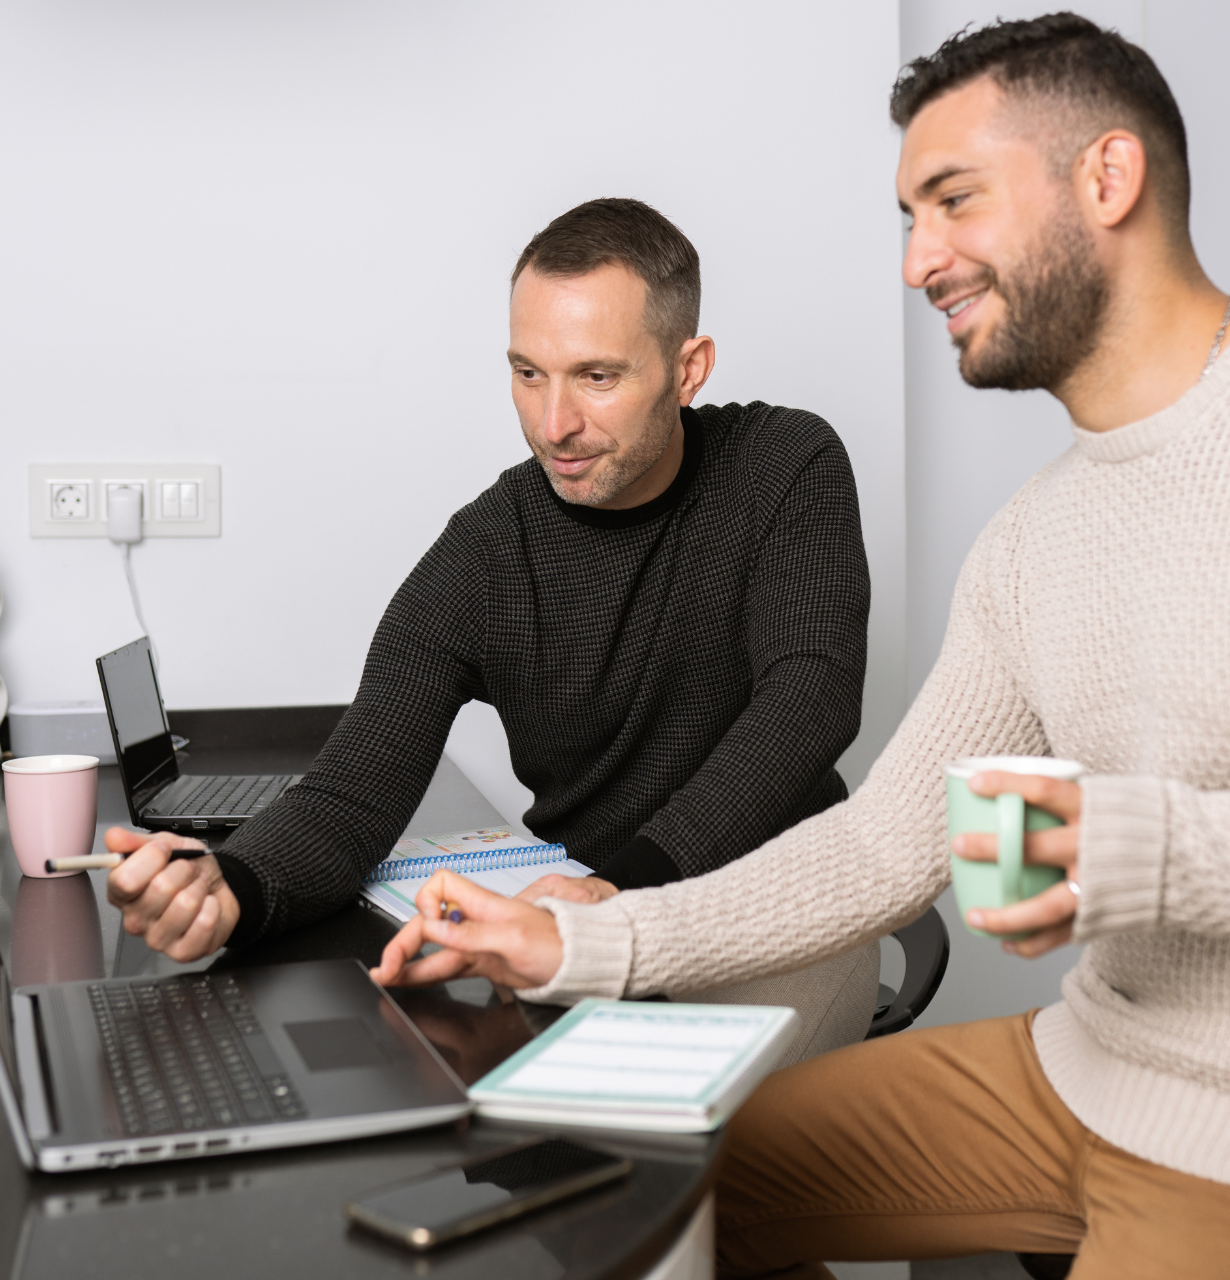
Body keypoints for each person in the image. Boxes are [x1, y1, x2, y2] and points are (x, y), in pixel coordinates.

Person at [369, 15, 1230, 1279]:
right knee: (622, 1197)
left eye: (954, 200)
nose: (919, 260)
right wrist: (585, 940)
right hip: (1090, 1071)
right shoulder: (1041, 534)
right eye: (909, 216)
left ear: (1107, 176)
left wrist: (1154, 846)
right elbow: (884, 841)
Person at [104, 197, 881, 1062]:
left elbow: (809, 699)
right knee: (502, 1132)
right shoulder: (487, 551)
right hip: (583, 929)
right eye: (527, 372)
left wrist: (620, 893)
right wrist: (231, 887)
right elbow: (354, 790)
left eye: (597, 377)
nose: (555, 426)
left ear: (688, 368)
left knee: (693, 1153)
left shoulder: (786, 465)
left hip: (772, 913)